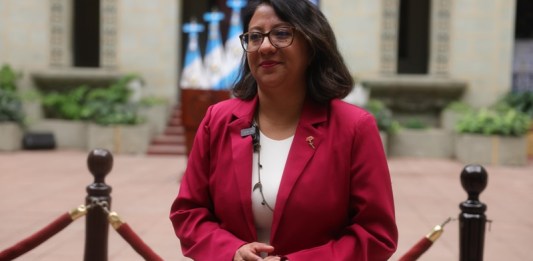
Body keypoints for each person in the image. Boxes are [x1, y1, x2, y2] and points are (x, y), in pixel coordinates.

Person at [170, 0, 398, 260]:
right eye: (255, 37)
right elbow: (188, 212)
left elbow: (376, 234)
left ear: (311, 45)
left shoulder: (354, 127)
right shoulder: (218, 120)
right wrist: (231, 252)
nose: (265, 46)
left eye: (281, 33)